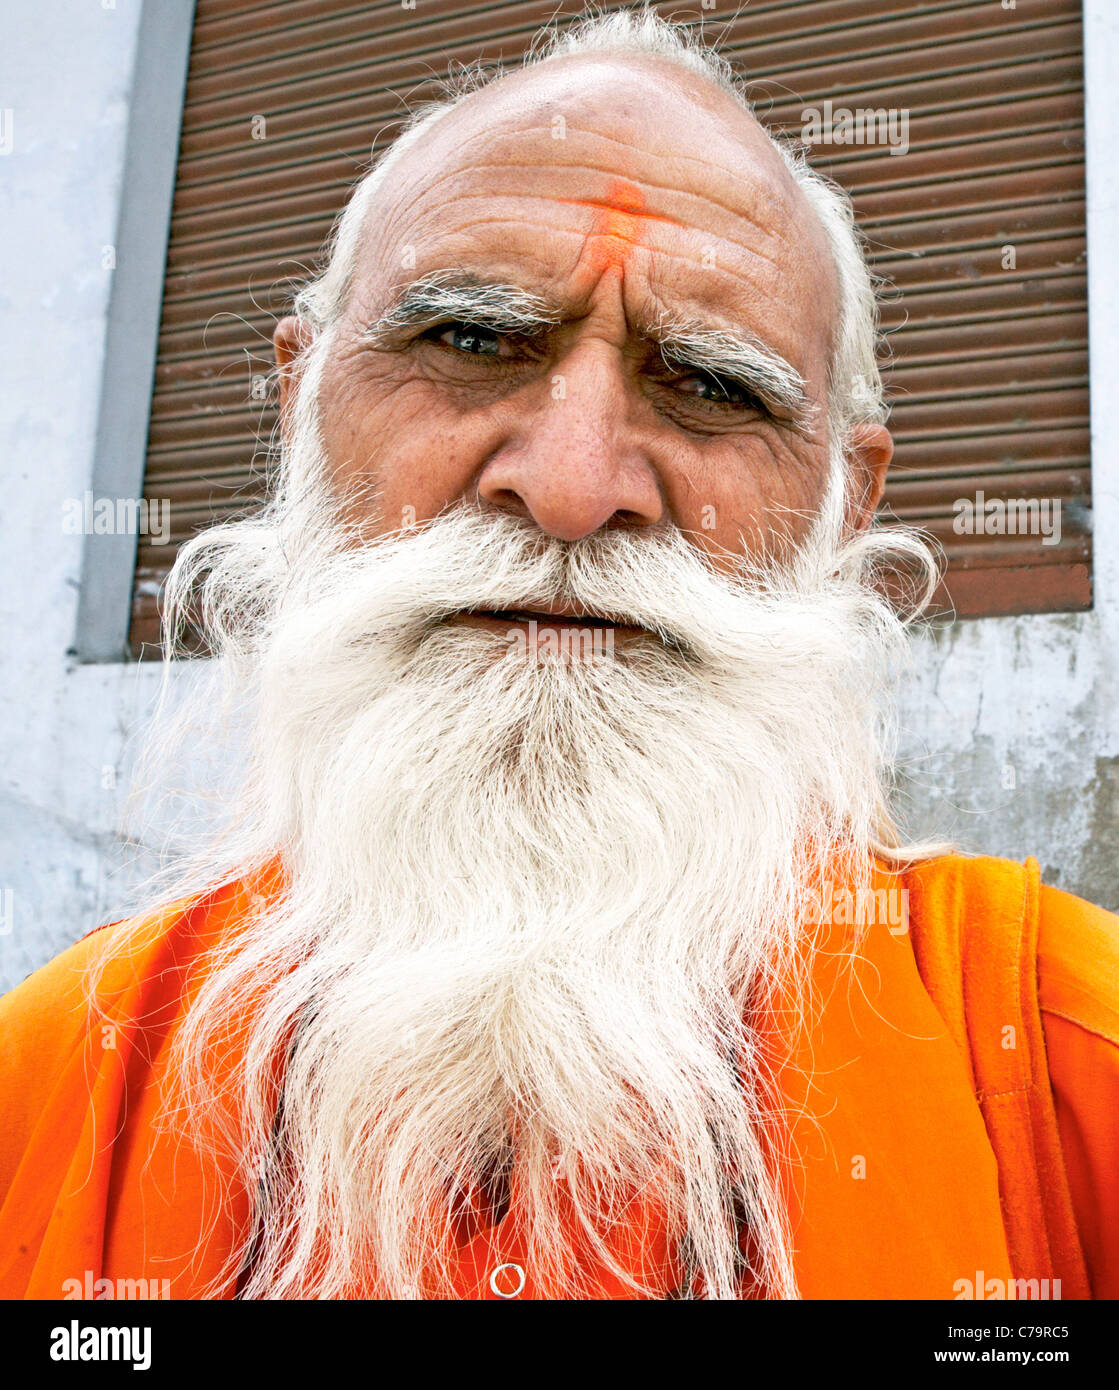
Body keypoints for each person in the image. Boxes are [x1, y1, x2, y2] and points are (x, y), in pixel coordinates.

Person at [1, 6, 1115, 1301]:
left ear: (844, 506)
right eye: (470, 341)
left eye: (712, 383)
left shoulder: (1054, 1059)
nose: (575, 489)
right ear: (303, 405)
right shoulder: (54, 1090)